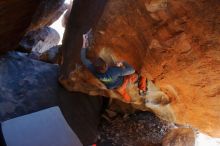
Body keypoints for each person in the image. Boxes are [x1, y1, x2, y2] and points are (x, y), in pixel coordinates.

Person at [80, 31, 138, 102]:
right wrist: (122, 62)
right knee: (136, 76)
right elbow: (132, 70)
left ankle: (127, 100)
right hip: (122, 83)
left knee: (123, 93)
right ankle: (133, 95)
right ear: (107, 65)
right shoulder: (113, 71)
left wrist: (84, 44)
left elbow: (83, 58)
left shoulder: (94, 71)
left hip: (113, 87)